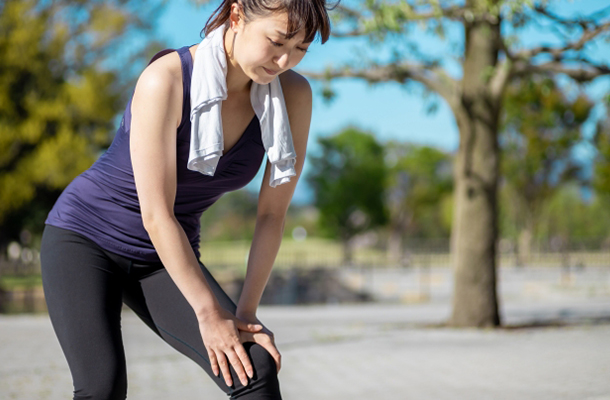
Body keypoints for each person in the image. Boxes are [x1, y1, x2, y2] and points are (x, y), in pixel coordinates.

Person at [39, 0, 334, 398]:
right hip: (84, 238)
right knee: (101, 386)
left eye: (300, 49)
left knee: (254, 367)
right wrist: (209, 312)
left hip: (165, 255)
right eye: (276, 41)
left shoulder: (293, 95)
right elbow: (156, 214)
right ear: (236, 15)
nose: (284, 61)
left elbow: (272, 215)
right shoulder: (166, 80)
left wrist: (245, 314)